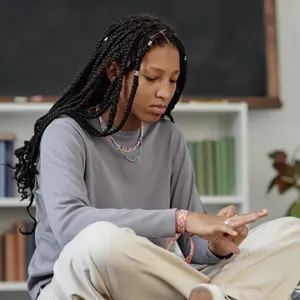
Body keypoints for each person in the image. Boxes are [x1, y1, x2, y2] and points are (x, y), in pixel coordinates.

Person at [13, 14, 300, 300]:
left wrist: (215, 245)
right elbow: (69, 226)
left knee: (291, 232)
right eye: (152, 78)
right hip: (79, 279)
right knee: (100, 239)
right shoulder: (65, 133)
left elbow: (192, 246)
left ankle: (215, 295)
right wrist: (181, 219)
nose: (165, 92)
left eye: (174, 80)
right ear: (114, 72)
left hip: (150, 282)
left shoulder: (168, 137)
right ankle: (223, 295)